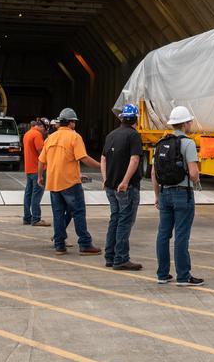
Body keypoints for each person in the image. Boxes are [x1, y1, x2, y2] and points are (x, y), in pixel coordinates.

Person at [38, 108, 101, 255]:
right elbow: (83, 158)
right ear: (71, 123)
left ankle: (60, 246)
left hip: (53, 182)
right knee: (78, 212)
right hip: (70, 183)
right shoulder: (74, 137)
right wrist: (101, 166)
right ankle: (85, 244)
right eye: (74, 122)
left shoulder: (50, 138)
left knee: (58, 214)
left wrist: (40, 177)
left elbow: (41, 160)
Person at [152, 105, 203, 286]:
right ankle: (183, 276)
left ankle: (162, 274)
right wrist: (195, 180)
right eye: (189, 121)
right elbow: (194, 173)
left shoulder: (160, 144)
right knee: (181, 235)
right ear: (185, 124)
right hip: (183, 194)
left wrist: (157, 195)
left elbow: (154, 173)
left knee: (163, 234)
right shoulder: (188, 143)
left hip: (165, 193)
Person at [101, 103, 145, 271]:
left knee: (115, 219)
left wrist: (105, 179)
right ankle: (121, 258)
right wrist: (125, 181)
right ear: (135, 119)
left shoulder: (111, 135)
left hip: (111, 186)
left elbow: (103, 158)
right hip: (126, 188)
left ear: (121, 118)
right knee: (125, 221)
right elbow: (135, 159)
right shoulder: (133, 136)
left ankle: (110, 256)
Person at [21, 118, 48, 226]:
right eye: (45, 130)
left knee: (28, 194)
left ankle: (27, 217)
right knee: (36, 195)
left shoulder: (27, 134)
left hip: (29, 169)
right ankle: (36, 219)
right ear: (41, 126)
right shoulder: (37, 135)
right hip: (38, 170)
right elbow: (42, 153)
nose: (45, 132)